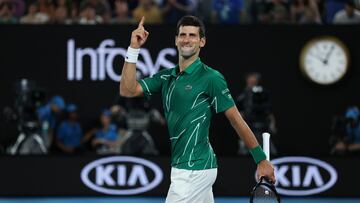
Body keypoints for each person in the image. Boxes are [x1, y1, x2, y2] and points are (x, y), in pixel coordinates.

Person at [119, 15, 275, 202]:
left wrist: (261, 159)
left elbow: (235, 119)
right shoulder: (166, 77)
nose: (186, 39)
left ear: (202, 42)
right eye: (182, 35)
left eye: (192, 35)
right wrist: (133, 48)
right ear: (176, 40)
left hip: (194, 169)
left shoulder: (211, 78)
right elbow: (127, 90)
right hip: (186, 167)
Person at [236, 72, 278, 155]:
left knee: (268, 148)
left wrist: (272, 124)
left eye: (254, 78)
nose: (252, 80)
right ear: (247, 80)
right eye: (250, 78)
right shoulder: (242, 95)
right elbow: (239, 112)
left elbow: (268, 111)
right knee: (245, 149)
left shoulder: (263, 93)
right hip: (248, 125)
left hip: (262, 124)